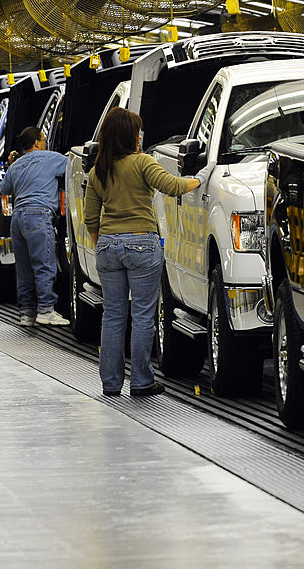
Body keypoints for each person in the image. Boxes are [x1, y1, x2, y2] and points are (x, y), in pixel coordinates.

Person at [84, 107, 209, 397]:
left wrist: (103, 245)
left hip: (107, 246)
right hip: (142, 243)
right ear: (130, 136)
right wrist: (202, 178)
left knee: (113, 315)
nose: (141, 136)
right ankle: (141, 381)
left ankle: (111, 383)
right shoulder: (143, 163)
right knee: (142, 315)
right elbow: (175, 187)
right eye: (138, 131)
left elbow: (91, 219)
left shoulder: (97, 170)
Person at [0, 126, 70, 327]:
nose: (45, 143)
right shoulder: (50, 157)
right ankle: (46, 310)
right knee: (44, 264)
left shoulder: (15, 165)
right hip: (38, 215)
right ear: (37, 143)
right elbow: (73, 167)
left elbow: (4, 189)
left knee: (24, 269)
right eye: (44, 139)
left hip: (17, 219)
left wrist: (12, 164)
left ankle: (27, 314)